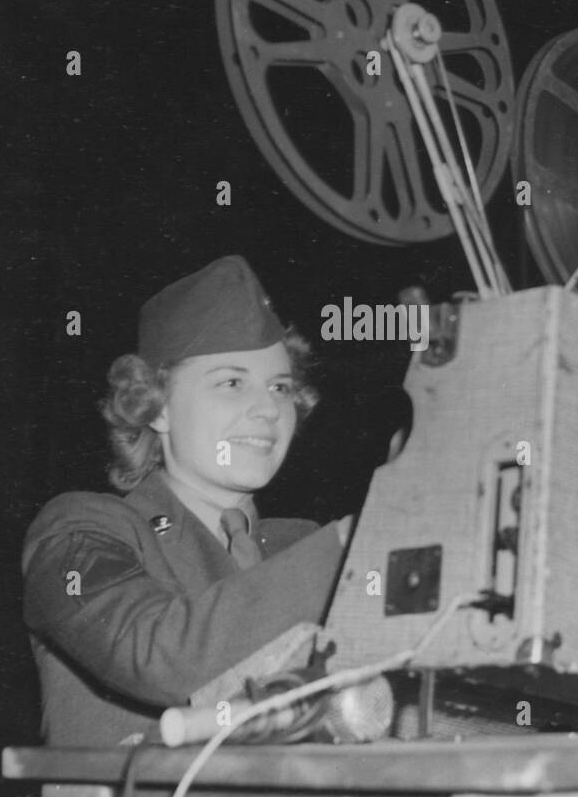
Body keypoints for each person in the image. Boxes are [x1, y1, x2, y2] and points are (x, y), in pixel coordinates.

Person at [22, 255, 350, 746]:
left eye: (281, 387)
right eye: (232, 382)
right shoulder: (81, 529)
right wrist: (355, 545)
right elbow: (155, 654)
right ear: (156, 406)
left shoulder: (300, 543)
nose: (268, 408)